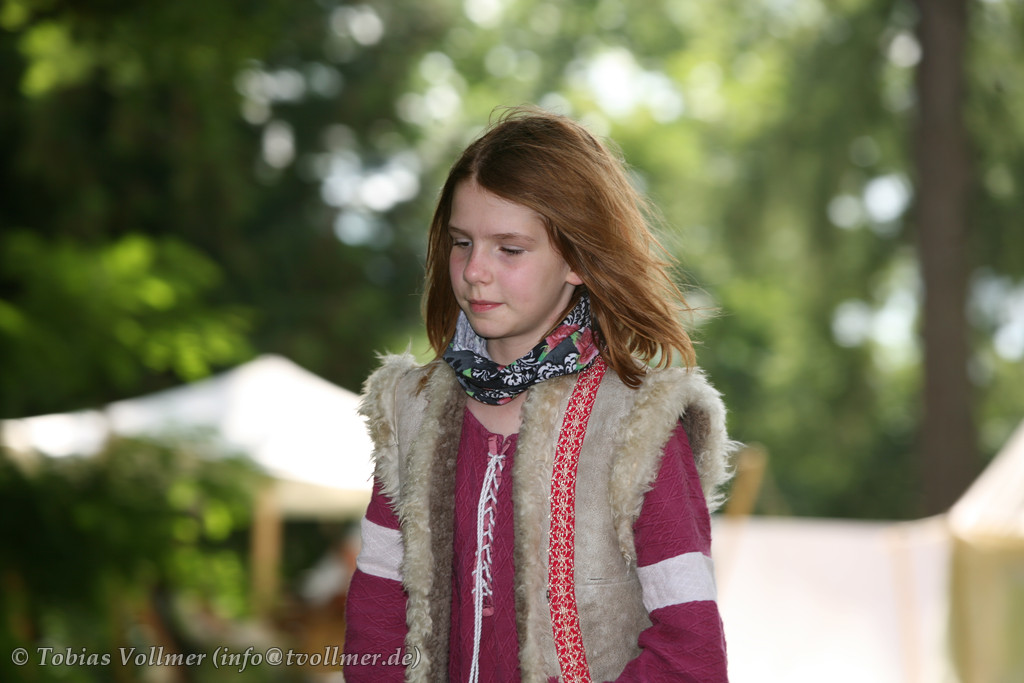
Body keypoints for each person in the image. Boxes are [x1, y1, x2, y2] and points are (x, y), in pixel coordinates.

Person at [342, 106, 735, 682]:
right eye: (461, 242)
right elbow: (376, 613)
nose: (474, 271)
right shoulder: (412, 408)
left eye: (510, 249)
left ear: (576, 259)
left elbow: (691, 656)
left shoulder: (638, 424)